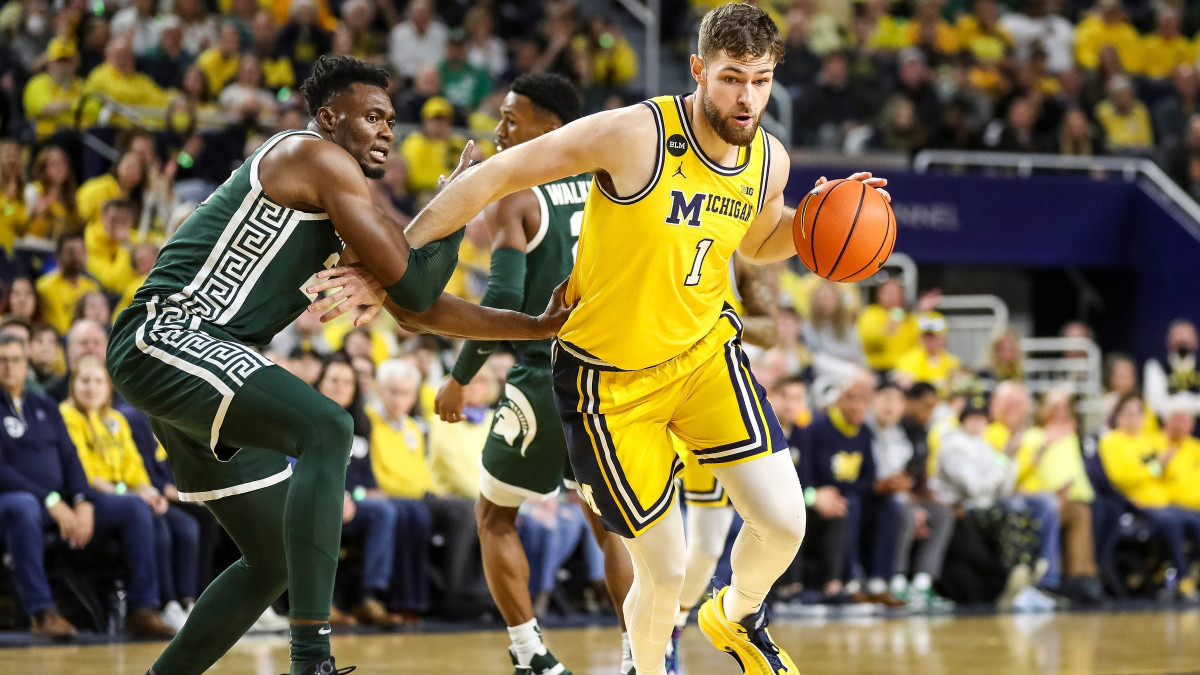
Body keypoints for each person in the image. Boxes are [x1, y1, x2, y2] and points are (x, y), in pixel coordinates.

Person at [402, 5, 890, 672]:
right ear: (698, 70)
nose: (747, 97)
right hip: (608, 381)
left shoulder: (768, 157)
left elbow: (758, 236)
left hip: (702, 357)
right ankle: (646, 666)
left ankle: (737, 613)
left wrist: (813, 224)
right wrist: (394, 256)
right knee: (663, 569)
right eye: (730, 78)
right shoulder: (635, 134)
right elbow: (497, 175)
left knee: (784, 521)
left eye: (760, 80)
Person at [106, 56, 573, 675]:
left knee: (272, 561)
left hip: (201, 359)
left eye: (391, 120)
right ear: (328, 118)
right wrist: (462, 200)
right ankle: (311, 661)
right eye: (373, 116)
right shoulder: (317, 159)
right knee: (328, 426)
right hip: (168, 332)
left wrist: (535, 327)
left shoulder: (343, 197)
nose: (386, 130)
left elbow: (419, 308)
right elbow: (412, 288)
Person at [432, 73, 636, 675]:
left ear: (550, 129)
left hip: (546, 377)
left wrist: (460, 377)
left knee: (495, 516)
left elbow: (502, 295)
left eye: (510, 118)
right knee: (609, 527)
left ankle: (530, 655)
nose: (499, 130)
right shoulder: (610, 187)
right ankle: (640, 657)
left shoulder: (518, 196)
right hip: (609, 381)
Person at [0, 334, 176, 638]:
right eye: (2, 360)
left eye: (15, 359)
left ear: (25, 364)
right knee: (25, 506)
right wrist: (50, 500)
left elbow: (72, 460)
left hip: (62, 501)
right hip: (17, 501)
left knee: (134, 508)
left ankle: (142, 609)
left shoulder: (44, 405)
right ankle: (42, 613)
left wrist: (83, 501)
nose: (8, 367)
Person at [59, 356, 201, 631]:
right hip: (86, 496)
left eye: (98, 381)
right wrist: (129, 494)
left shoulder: (116, 420)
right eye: (84, 381)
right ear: (73, 385)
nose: (91, 387)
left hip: (124, 494)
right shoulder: (66, 416)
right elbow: (84, 473)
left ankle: (183, 602)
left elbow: (134, 468)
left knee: (184, 524)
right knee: (141, 513)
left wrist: (149, 491)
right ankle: (145, 607)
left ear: (108, 388)